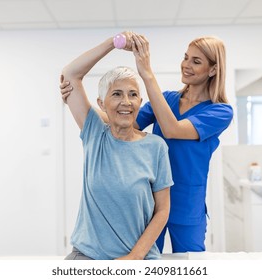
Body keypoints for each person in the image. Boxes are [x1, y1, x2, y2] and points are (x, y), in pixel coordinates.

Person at [61, 32, 233, 253]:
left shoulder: (219, 111)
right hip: (150, 200)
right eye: (186, 57)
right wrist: (80, 104)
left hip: (186, 203)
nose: (186, 65)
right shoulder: (167, 99)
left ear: (213, 69)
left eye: (196, 61)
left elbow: (172, 130)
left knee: (191, 264)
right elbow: (124, 120)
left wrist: (146, 73)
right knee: (146, 262)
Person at [60, 33, 173, 260]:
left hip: (139, 258)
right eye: (117, 94)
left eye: (133, 95)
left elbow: (162, 211)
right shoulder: (94, 133)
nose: (126, 102)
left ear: (140, 102)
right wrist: (113, 43)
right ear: (101, 103)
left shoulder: (156, 147)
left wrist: (133, 258)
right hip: (89, 256)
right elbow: (70, 74)